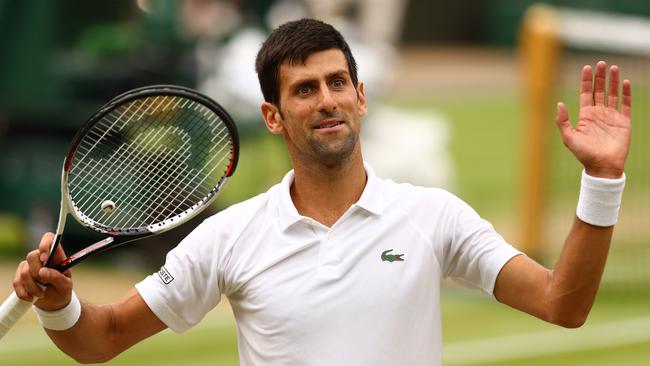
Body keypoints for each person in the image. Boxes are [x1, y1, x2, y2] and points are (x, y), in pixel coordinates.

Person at [12, 18, 631, 365]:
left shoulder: (432, 215)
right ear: (274, 116)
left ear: (361, 98)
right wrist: (57, 304)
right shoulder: (230, 236)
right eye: (305, 89)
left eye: (338, 82)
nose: (327, 99)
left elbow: (562, 304)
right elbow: (105, 336)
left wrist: (601, 181)